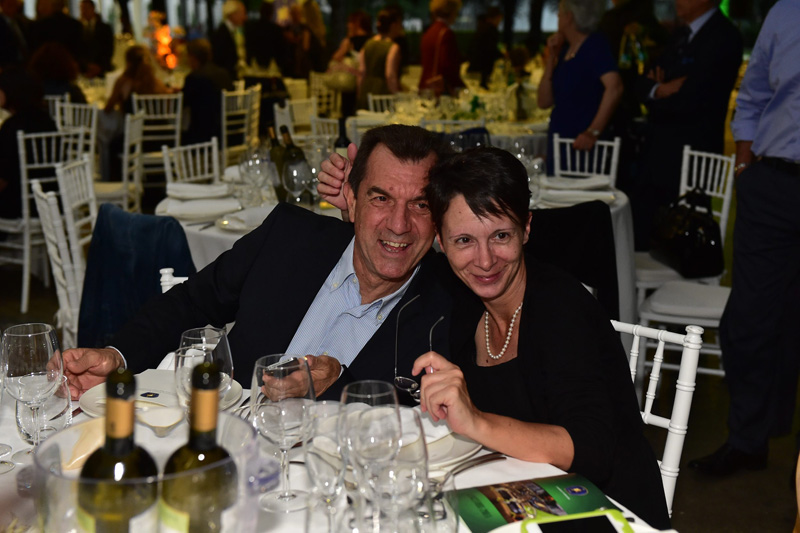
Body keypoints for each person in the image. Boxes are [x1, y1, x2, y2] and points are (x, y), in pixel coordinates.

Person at [61, 125, 453, 403]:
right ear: (351, 197)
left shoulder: (451, 304)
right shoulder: (290, 237)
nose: (399, 224)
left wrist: (338, 383)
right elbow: (191, 303)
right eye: (381, 198)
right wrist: (117, 356)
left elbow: (422, 414)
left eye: (420, 205)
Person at [412, 148, 670, 529]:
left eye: (501, 235)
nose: (485, 260)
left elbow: (593, 452)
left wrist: (477, 421)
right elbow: (393, 259)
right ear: (441, 240)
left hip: (607, 511)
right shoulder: (463, 299)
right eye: (464, 240)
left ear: (527, 228)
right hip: (523, 498)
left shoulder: (559, 308)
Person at [688, 0, 800, 477]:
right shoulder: (786, 11)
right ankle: (748, 441)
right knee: (749, 321)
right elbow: (752, 97)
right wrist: (745, 167)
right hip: (773, 183)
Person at [631, 0, 742, 249]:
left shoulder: (723, 36)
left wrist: (656, 94)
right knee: (642, 236)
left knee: (680, 245)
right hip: (657, 156)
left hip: (692, 159)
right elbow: (641, 84)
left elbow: (691, 101)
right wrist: (660, 89)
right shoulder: (681, 35)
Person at [537, 0, 623, 175]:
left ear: (569, 17)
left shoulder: (595, 45)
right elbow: (543, 102)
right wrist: (551, 58)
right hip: (560, 141)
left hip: (583, 146)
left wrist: (593, 131)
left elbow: (615, 87)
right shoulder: (566, 50)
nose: (558, 17)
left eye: (560, 14)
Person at [99, 44, 170, 180]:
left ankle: (117, 182)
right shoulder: (157, 83)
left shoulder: (124, 82)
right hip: (162, 138)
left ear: (128, 62)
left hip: (137, 139)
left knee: (112, 145)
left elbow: (108, 108)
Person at [0, 68, 55, 222]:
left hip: (18, 205)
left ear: (11, 91)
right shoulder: (47, 120)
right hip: (48, 200)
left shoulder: (12, 127)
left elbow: (3, 178)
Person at [182, 38, 234, 145]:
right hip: (227, 133)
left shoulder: (194, 78)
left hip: (202, 137)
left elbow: (182, 104)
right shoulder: (223, 73)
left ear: (192, 57)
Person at [356, 9, 403, 110]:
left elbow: (361, 72)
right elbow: (390, 75)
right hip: (382, 93)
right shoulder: (392, 47)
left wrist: (359, 93)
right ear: (393, 25)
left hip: (366, 90)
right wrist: (397, 96)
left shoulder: (367, 44)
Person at [330, 9, 372, 117]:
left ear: (356, 23)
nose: (347, 25)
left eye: (350, 22)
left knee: (348, 112)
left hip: (351, 81)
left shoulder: (350, 41)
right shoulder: (372, 40)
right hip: (367, 80)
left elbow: (336, 57)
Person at [419, 0, 464, 97]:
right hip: (439, 90)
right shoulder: (446, 33)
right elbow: (448, 66)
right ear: (452, 12)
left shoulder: (429, 32)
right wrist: (461, 86)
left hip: (425, 87)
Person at [28, 0, 85, 66]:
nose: (41, 8)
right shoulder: (75, 25)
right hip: (69, 67)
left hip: (44, 67)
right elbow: (79, 52)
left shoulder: (37, 26)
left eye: (45, 5)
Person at [466, 6, 504, 89]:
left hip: (474, 67)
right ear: (497, 17)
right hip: (482, 70)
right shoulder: (491, 30)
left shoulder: (482, 27)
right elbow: (490, 50)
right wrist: (502, 55)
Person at [210, 0, 247, 80]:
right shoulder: (222, 34)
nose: (245, 17)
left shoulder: (228, 31)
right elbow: (220, 61)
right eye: (243, 13)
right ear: (233, 14)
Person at [244, 1, 286, 70]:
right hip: (272, 67)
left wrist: (248, 61)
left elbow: (248, 47)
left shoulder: (251, 28)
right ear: (271, 13)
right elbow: (280, 51)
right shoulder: (276, 29)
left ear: (260, 12)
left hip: (254, 66)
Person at [79, 0, 114, 77]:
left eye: (85, 8)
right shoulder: (78, 27)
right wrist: (86, 65)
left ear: (92, 9)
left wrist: (100, 67)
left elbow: (108, 49)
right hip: (84, 70)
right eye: (81, 8)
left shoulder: (105, 28)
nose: (83, 11)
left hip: (102, 69)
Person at [0, 0, 29, 69]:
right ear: (2, 4)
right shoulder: (1, 24)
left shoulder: (21, 22)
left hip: (25, 64)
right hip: (7, 67)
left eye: (14, 3)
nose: (13, 6)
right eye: (9, 4)